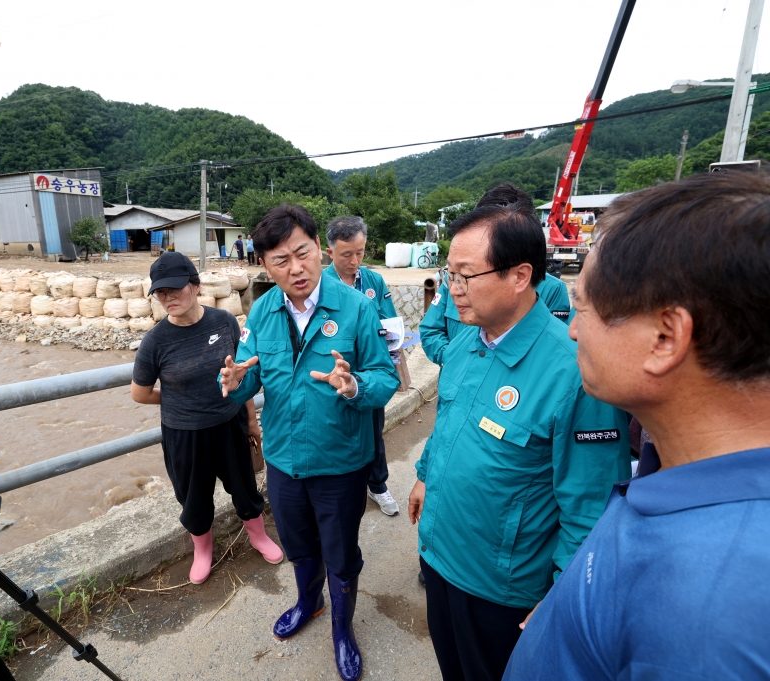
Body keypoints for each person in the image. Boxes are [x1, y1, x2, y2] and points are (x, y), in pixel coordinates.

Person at [504, 172, 770, 680]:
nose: (574, 329)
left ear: (665, 337)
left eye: (583, 307)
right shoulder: (673, 467)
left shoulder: (719, 612)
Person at [407, 202, 631, 681]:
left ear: (519, 276)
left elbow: (590, 506)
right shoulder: (469, 339)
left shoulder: (573, 373)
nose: (454, 291)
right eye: (450, 275)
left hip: (499, 589)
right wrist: (425, 475)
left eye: (466, 276)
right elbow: (449, 420)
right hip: (439, 555)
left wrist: (563, 595)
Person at [219, 205, 399, 681]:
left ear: (319, 248)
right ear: (265, 265)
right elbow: (246, 380)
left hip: (340, 462)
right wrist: (233, 382)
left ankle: (343, 629)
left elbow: (386, 378)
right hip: (282, 461)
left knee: (340, 552)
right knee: (299, 545)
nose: (295, 268)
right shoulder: (262, 310)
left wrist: (355, 385)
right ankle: (308, 602)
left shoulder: (357, 308)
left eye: (302, 253)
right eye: (281, 260)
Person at [131, 252, 283, 584]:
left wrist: (252, 421)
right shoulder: (154, 342)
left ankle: (258, 536)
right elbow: (140, 393)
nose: (168, 298)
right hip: (184, 434)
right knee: (194, 498)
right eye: (161, 292)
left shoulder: (224, 321)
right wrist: (179, 399)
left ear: (196, 286)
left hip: (230, 424)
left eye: (175, 289)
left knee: (244, 487)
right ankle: (203, 551)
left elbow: (239, 377)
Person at [421, 184, 570, 368]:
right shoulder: (453, 280)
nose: (454, 289)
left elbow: (552, 352)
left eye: (466, 275)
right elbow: (430, 329)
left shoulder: (552, 289)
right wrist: (454, 359)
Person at [323, 215, 400, 516]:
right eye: (346, 254)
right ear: (330, 253)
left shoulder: (374, 281)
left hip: (370, 374)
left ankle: (377, 485)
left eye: (360, 252)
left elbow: (391, 322)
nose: (355, 260)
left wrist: (392, 338)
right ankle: (340, 490)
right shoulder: (320, 286)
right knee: (338, 433)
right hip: (335, 376)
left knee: (373, 430)